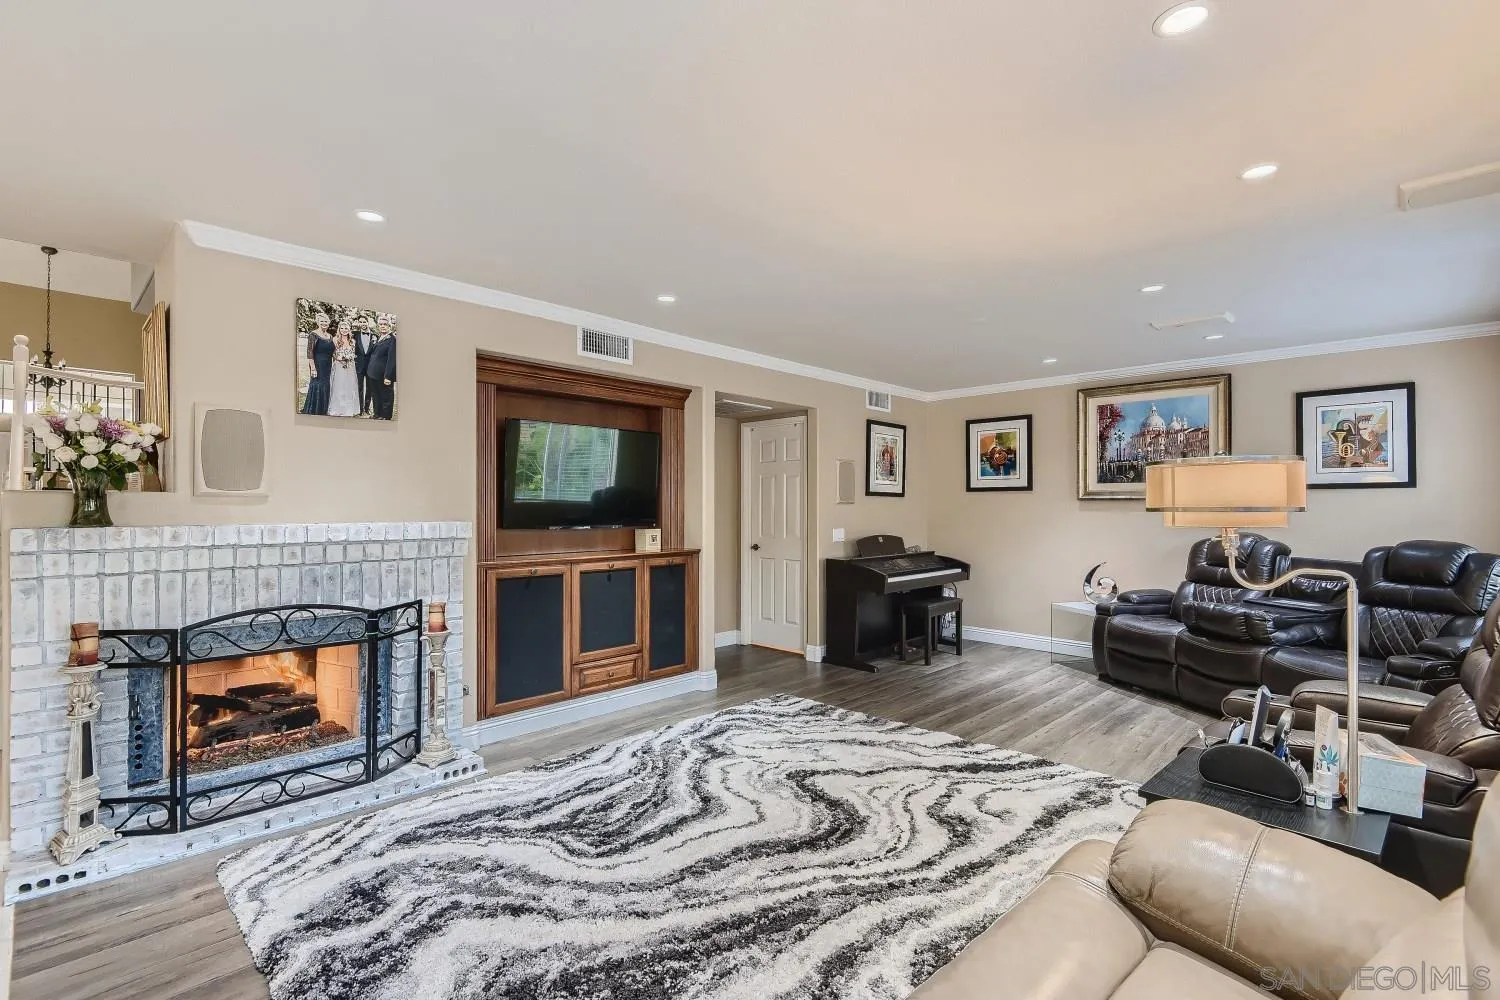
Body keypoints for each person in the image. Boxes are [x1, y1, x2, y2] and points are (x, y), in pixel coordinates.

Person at [326, 318, 361, 417]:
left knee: (349, 387)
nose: (344, 330)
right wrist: (339, 358)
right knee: (339, 386)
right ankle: (338, 408)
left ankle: (349, 409)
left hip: (350, 367)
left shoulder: (352, 341)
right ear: (339, 329)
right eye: (342, 328)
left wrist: (349, 358)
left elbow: (353, 354)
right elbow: (332, 354)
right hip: (338, 366)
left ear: (349, 329)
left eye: (346, 328)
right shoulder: (335, 340)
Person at [300, 319, 334, 416]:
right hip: (317, 364)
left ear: (329, 323)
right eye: (322, 321)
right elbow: (309, 353)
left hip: (328, 365)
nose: (324, 324)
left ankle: (323, 409)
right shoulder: (313, 334)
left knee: (326, 386)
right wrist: (313, 368)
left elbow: (332, 352)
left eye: (326, 322)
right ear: (318, 322)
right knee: (317, 385)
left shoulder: (330, 336)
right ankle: (314, 409)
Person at [366, 326, 397, 420]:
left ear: (389, 326)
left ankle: (385, 416)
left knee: (386, 396)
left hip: (383, 374)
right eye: (380, 324)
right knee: (375, 395)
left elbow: (392, 359)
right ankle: (377, 414)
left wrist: (388, 376)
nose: (383, 326)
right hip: (372, 373)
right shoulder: (378, 337)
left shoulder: (392, 339)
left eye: (385, 324)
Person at [354, 317, 376, 415]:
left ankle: (367, 408)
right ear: (358, 323)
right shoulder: (354, 335)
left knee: (370, 388)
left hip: (371, 366)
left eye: (364, 322)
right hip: (358, 365)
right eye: (361, 322)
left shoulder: (375, 336)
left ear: (368, 323)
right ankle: (360, 409)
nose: (363, 323)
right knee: (359, 387)